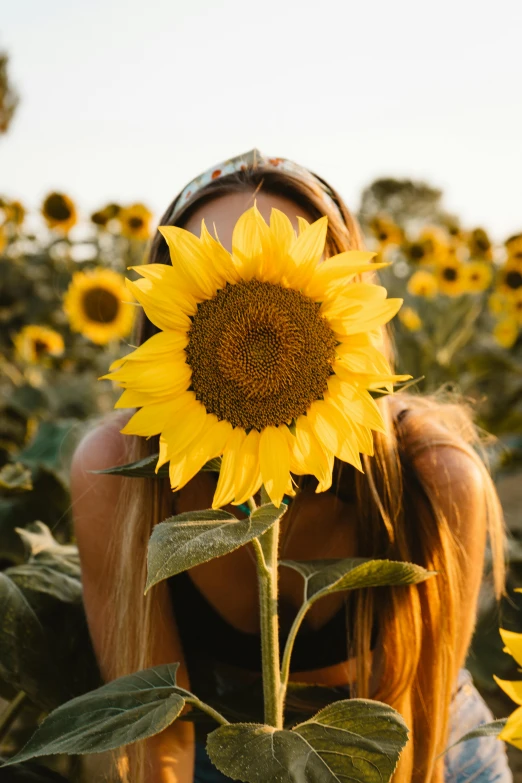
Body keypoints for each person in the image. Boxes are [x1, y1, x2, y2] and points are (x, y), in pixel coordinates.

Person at [70, 150, 511, 783]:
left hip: (428, 748)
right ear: (161, 313)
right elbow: (153, 742)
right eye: (214, 271)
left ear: (343, 305)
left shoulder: (432, 476)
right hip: (225, 746)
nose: (247, 280)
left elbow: (412, 736)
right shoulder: (119, 468)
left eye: (285, 275)